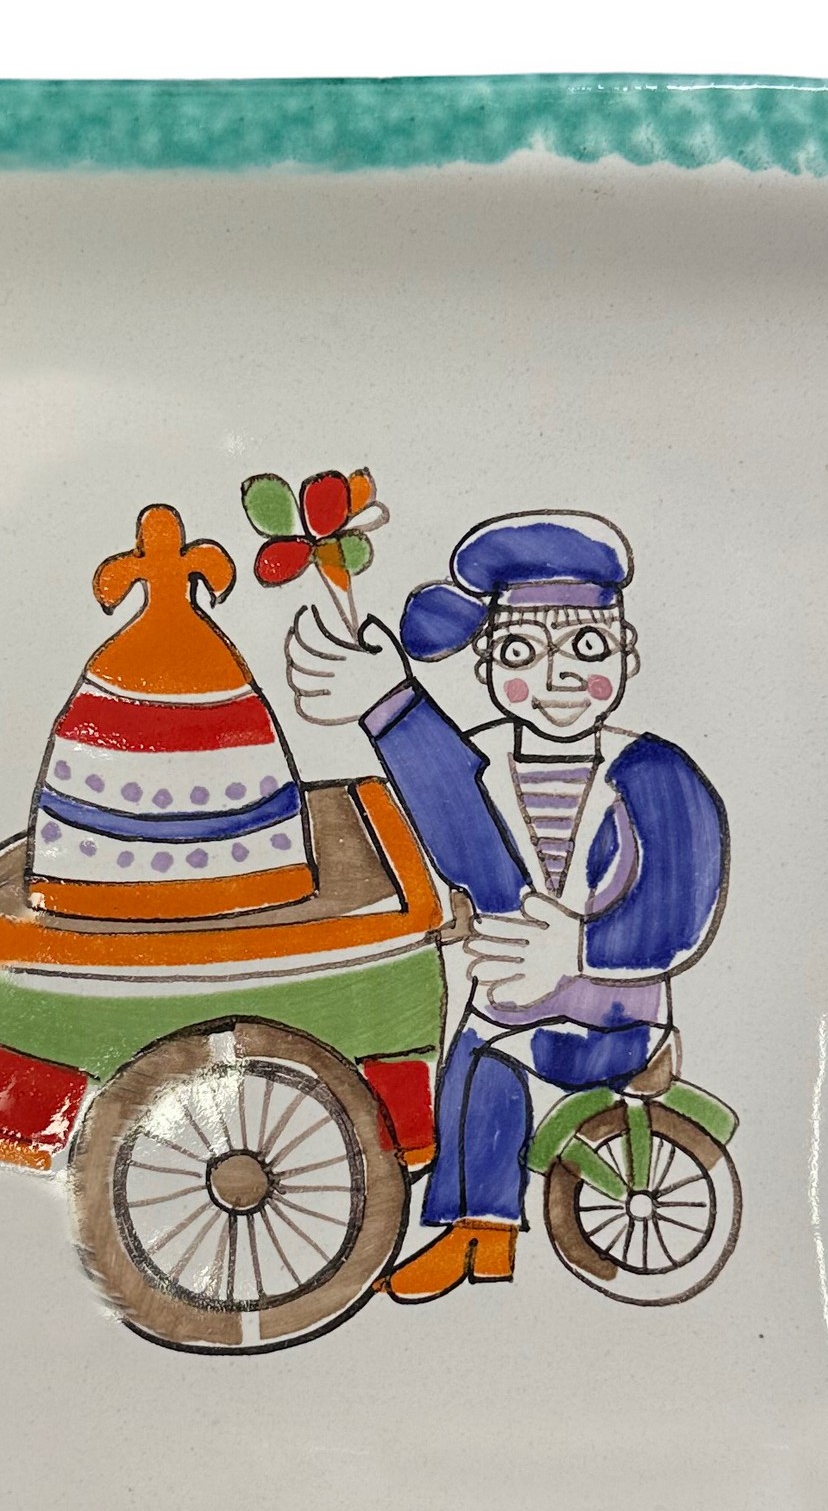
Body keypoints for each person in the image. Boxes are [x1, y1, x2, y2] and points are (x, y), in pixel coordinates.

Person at [285, 509, 728, 1302]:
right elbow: (457, 825)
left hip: (614, 1020)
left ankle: (480, 1232)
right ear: (487, 666)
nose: (559, 678)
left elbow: (681, 905)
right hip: (511, 1007)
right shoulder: (485, 760)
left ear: (626, 654)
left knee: (488, 1055)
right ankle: (480, 1236)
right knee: (475, 1065)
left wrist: (579, 950)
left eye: (586, 648)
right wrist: (384, 703)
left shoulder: (654, 772)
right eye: (523, 653)